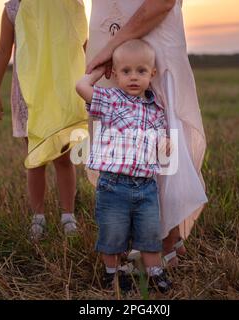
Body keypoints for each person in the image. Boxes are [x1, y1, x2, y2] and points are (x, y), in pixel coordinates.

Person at [85, 0, 208, 266]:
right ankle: (167, 239)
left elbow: (161, 3)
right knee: (128, 138)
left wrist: (110, 47)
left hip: (147, 44)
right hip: (119, 48)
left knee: (158, 140)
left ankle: (160, 242)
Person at [76, 39, 172, 293]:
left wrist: (164, 142)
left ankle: (154, 271)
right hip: (113, 186)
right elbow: (81, 85)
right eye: (126, 71)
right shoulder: (110, 99)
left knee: (150, 234)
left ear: (152, 74)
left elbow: (161, 137)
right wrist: (101, 68)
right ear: (116, 74)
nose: (133, 77)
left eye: (141, 71)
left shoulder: (156, 108)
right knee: (113, 235)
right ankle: (113, 273)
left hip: (146, 187)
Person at [0, 0, 88, 240]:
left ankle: (68, 217)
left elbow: (83, 44)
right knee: (35, 159)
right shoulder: (12, 8)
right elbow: (3, 50)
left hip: (61, 91)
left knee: (64, 158)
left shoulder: (70, 3)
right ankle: (38, 219)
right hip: (28, 94)